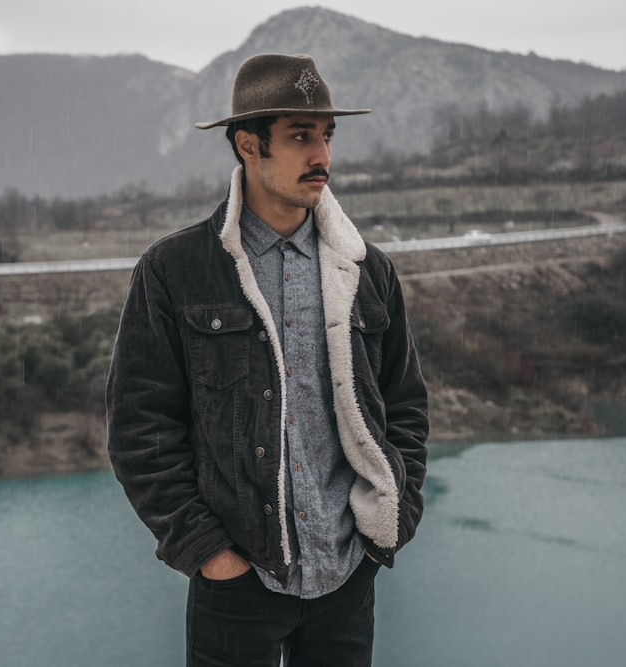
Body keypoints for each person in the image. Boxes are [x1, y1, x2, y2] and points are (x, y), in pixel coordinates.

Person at [106, 53, 429, 667]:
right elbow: (139, 431)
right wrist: (210, 555)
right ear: (248, 145)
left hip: (346, 576)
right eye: (301, 136)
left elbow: (406, 407)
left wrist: (392, 520)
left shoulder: (368, 272)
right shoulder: (175, 272)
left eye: (327, 136)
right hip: (236, 584)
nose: (322, 157)